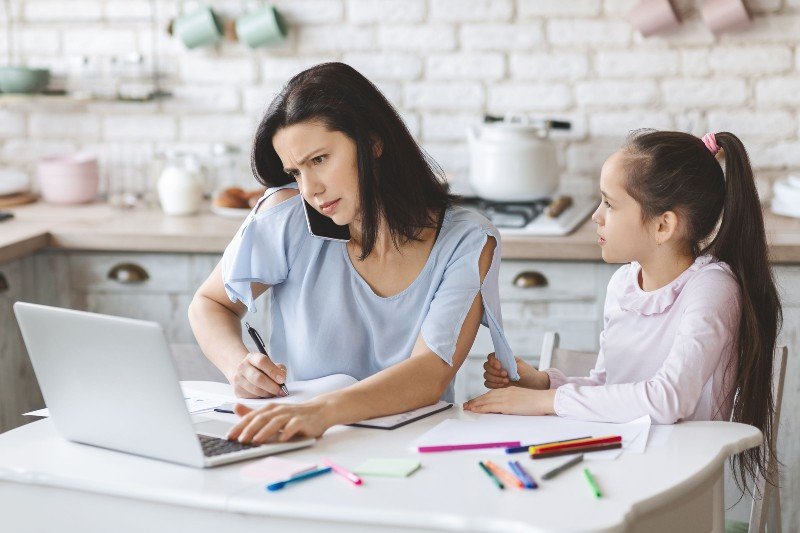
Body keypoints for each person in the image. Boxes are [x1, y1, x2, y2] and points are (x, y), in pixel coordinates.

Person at [188, 62, 516, 445]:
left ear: (373, 144)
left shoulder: (468, 240)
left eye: (319, 160)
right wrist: (237, 366)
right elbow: (210, 303)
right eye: (295, 172)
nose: (310, 188)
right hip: (299, 442)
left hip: (409, 452)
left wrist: (322, 412)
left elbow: (431, 372)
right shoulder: (287, 218)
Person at [466, 130, 781, 490]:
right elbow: (610, 386)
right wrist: (544, 383)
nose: (597, 217)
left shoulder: (711, 289)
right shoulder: (622, 285)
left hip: (679, 485)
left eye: (610, 204)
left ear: (663, 225)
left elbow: (668, 399)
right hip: (620, 467)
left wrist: (547, 402)